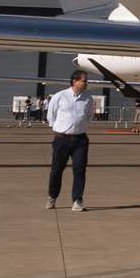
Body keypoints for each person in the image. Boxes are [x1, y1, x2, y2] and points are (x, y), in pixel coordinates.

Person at [45, 70, 94, 211]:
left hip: (80, 140)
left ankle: (77, 201)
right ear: (75, 81)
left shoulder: (88, 98)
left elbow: (89, 116)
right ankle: (52, 196)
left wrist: (78, 127)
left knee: (79, 170)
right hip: (62, 139)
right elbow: (51, 115)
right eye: (84, 81)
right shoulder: (60, 96)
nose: (86, 83)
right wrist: (60, 128)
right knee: (56, 170)